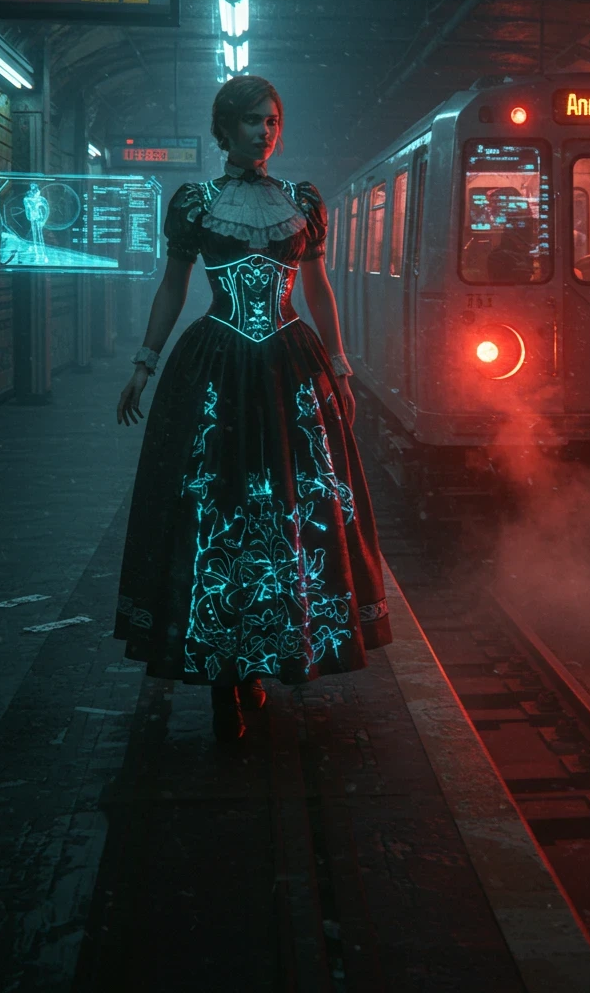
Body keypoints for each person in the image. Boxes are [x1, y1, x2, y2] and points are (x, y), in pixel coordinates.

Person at [114, 76, 392, 745]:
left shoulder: (302, 201)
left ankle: (261, 662)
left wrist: (342, 368)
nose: (263, 131)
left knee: (287, 516)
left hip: (291, 370)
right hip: (216, 373)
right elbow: (173, 286)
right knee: (218, 519)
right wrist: (144, 363)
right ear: (225, 130)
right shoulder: (196, 203)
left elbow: (318, 289)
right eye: (249, 121)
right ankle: (223, 682)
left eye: (271, 121)